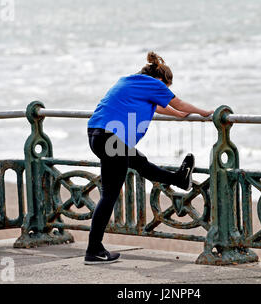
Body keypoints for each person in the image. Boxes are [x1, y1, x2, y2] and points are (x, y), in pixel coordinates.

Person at [85, 51, 214, 264]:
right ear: (161, 80)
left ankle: (180, 179)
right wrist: (203, 112)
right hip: (111, 137)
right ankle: (93, 250)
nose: (165, 91)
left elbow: (164, 107)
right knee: (109, 194)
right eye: (166, 88)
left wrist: (178, 115)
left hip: (96, 134)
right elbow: (178, 103)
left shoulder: (130, 81)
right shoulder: (153, 84)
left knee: (140, 163)